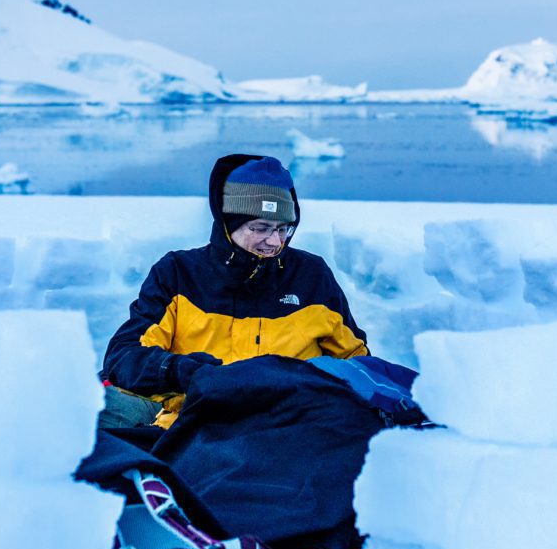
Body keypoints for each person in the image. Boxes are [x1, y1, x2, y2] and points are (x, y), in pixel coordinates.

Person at [100, 153, 369, 429]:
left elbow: (357, 363)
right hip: (193, 427)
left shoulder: (312, 277)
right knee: (95, 408)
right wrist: (179, 370)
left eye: (283, 229)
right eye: (261, 228)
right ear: (230, 222)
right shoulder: (178, 274)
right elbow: (124, 356)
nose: (275, 241)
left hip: (290, 431)